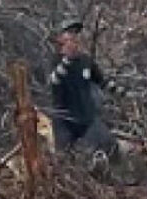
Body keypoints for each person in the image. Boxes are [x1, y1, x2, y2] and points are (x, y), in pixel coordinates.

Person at [48, 18, 126, 166]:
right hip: (64, 119)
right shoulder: (56, 61)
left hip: (86, 117)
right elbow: (54, 81)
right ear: (60, 39)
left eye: (76, 34)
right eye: (69, 34)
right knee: (63, 159)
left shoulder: (86, 61)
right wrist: (67, 60)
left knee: (109, 145)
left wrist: (122, 93)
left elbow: (102, 81)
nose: (74, 38)